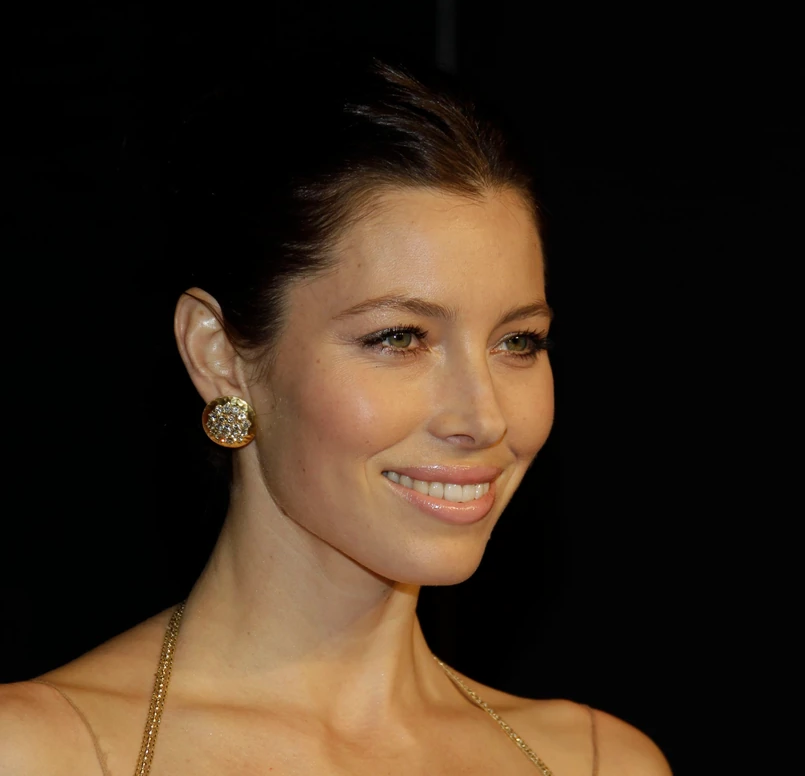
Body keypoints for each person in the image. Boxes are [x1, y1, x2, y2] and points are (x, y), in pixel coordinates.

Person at [0, 55, 671, 775]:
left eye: (517, 342)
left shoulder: (598, 763)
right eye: (399, 338)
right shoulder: (42, 751)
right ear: (219, 355)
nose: (484, 419)